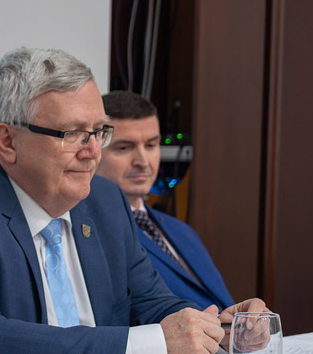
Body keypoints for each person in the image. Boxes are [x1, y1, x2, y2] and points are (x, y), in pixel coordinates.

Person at [0, 47, 266, 354]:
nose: (92, 152)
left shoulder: (105, 200)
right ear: (7, 141)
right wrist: (142, 349)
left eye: (98, 131)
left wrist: (217, 330)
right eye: (72, 134)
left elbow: (150, 303)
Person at [97, 90, 234, 309]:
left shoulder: (182, 231)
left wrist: (244, 318)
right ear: (93, 151)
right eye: (124, 148)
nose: (143, 161)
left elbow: (221, 305)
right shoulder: (90, 235)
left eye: (151, 145)